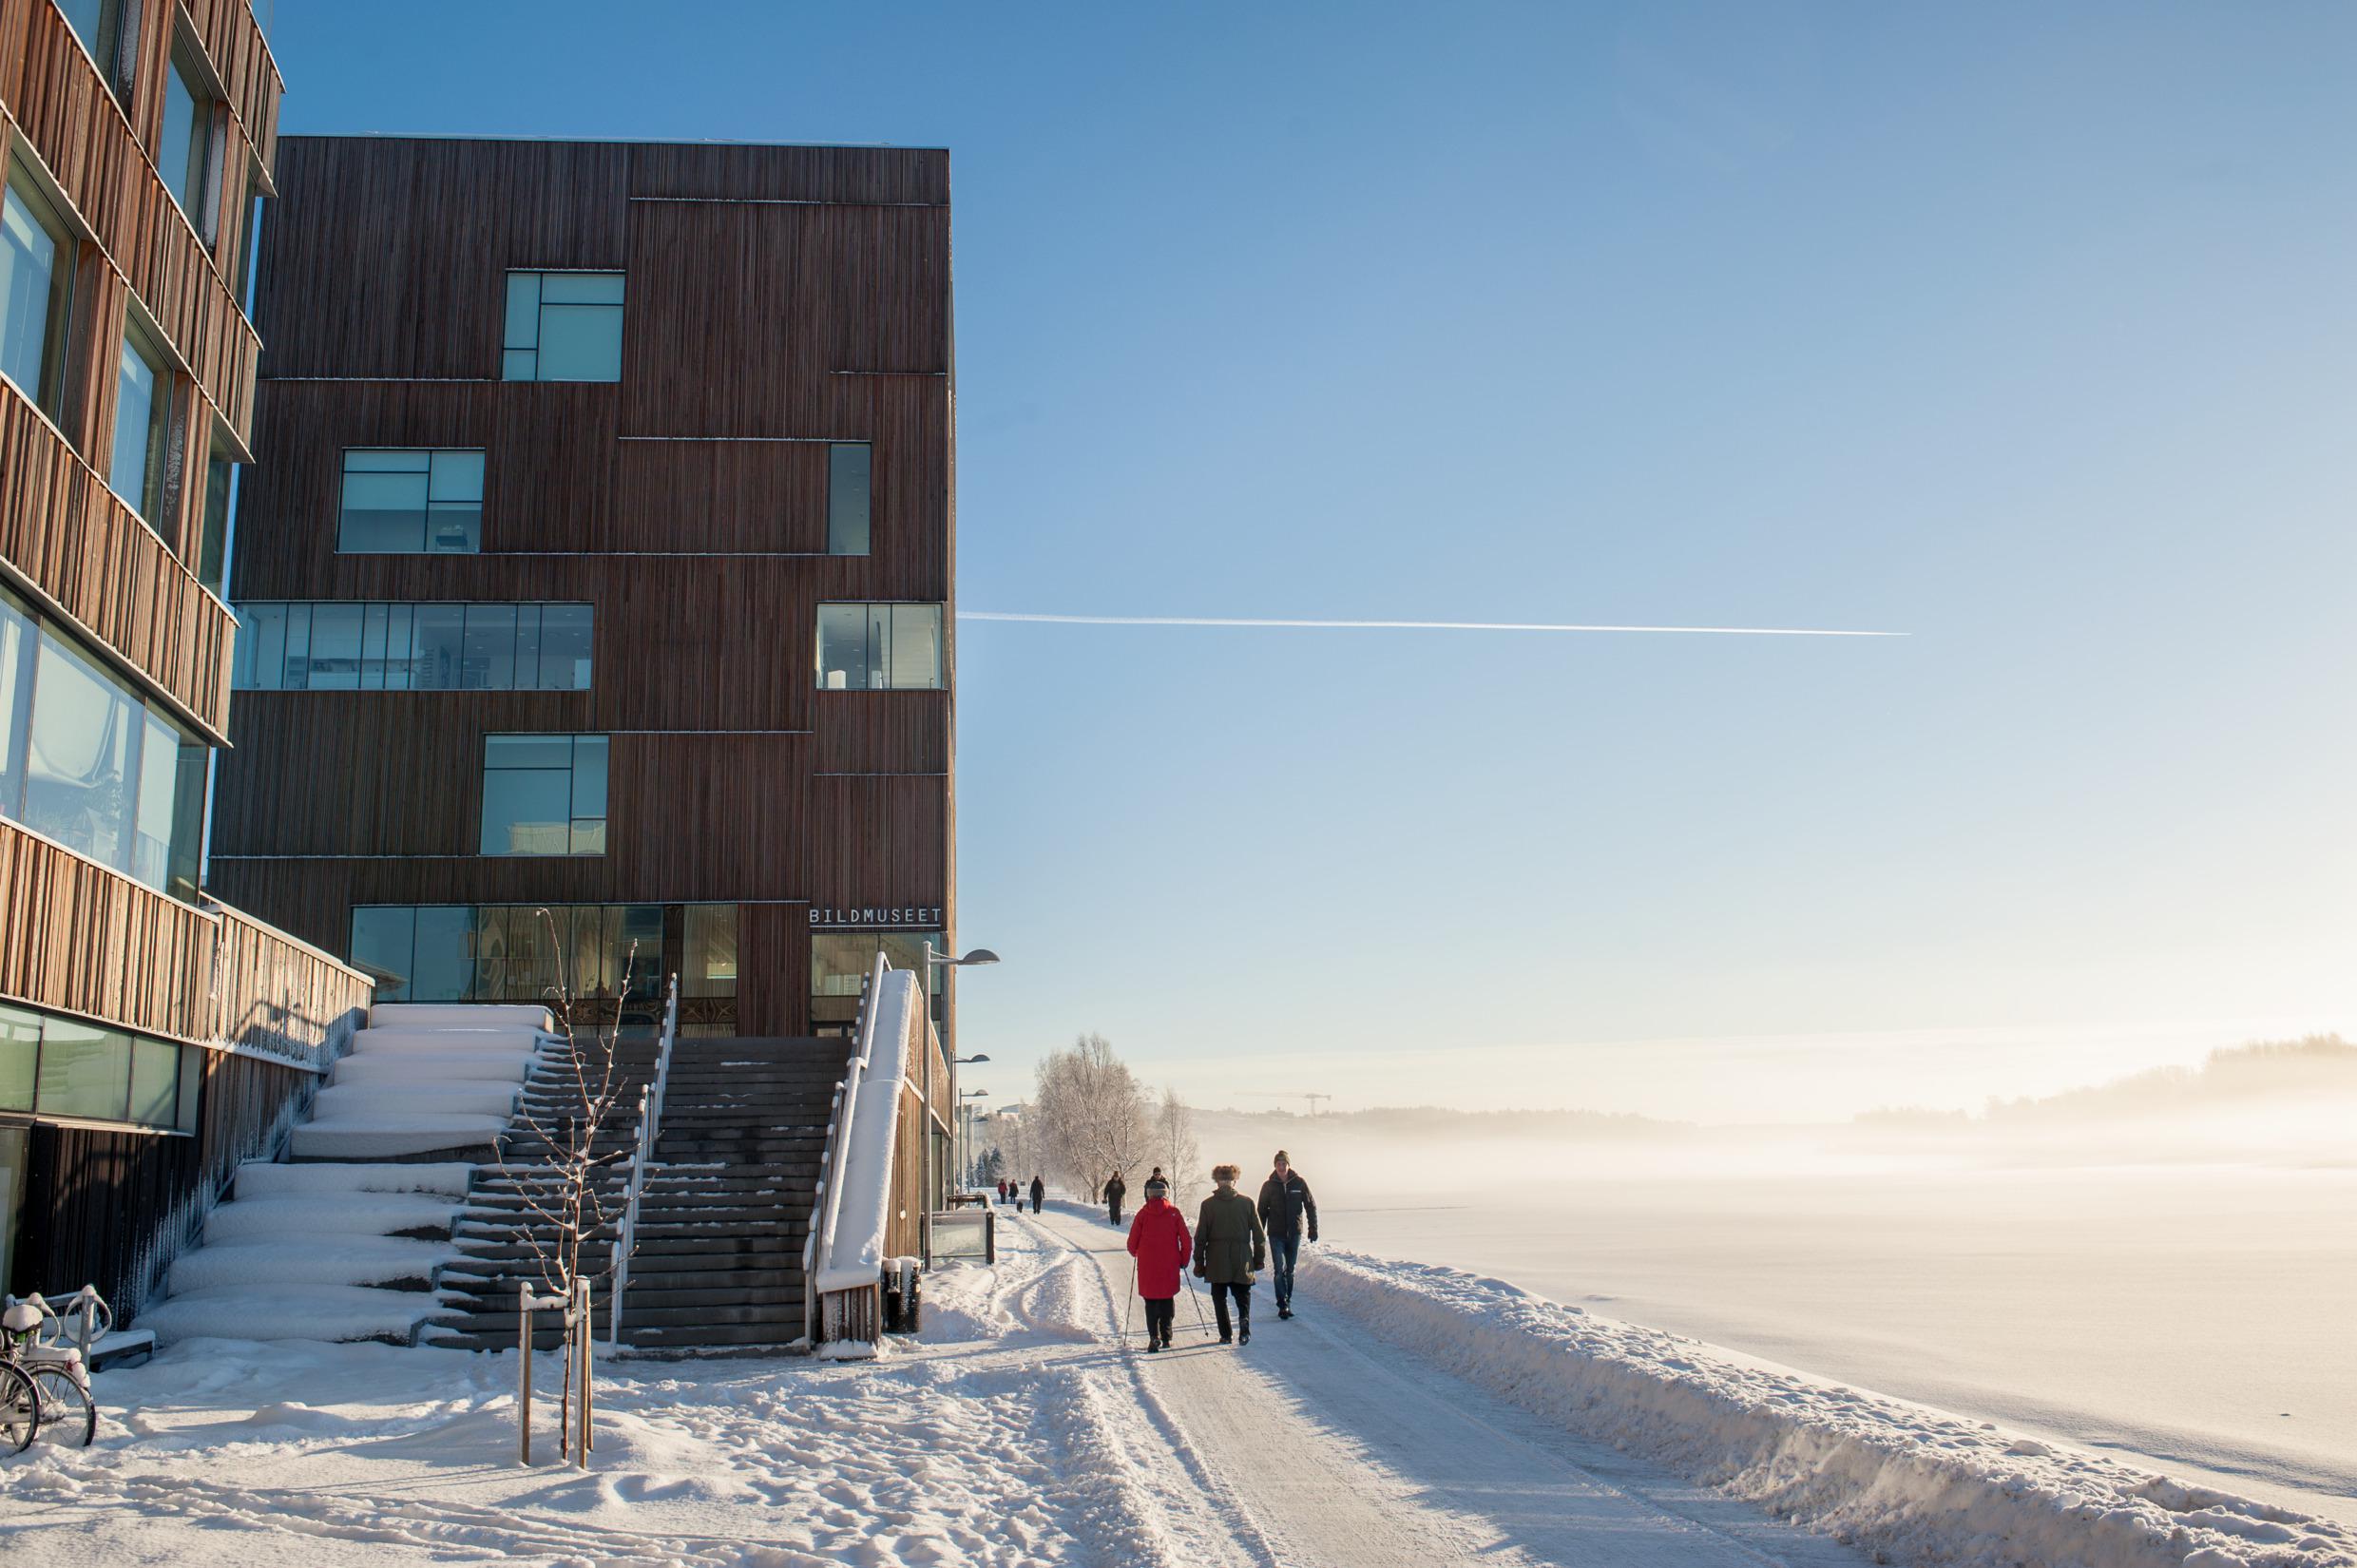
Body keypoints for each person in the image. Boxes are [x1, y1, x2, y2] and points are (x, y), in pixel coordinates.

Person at [1193, 1162, 1267, 1346]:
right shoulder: (1247, 1203)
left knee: (1219, 1297)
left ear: (1217, 1182)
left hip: (1216, 1257)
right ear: (1235, 1181)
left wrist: (1199, 1262)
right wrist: (1258, 1259)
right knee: (1243, 1295)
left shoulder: (1208, 1205)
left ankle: (1225, 1334)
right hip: (1242, 1256)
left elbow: (1200, 1237)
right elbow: (1259, 1235)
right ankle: (1244, 1323)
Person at [1125, 1175, 1192, 1352]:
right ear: (1166, 1194)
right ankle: (1167, 1337)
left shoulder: (1142, 1214)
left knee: (1151, 1302)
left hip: (1147, 1265)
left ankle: (1154, 1337)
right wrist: (1183, 1260)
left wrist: (1136, 1252)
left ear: (1149, 1195)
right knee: (1167, 1300)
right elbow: (1186, 1240)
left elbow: (1132, 1243)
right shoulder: (1174, 1213)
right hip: (1169, 1265)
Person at [1255, 1149, 1318, 1321]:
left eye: (1284, 1164)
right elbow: (1261, 1211)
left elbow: (1310, 1206)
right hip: (1275, 1234)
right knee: (1278, 1270)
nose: (1281, 1167)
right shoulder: (1268, 1186)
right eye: (1278, 1164)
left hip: (1294, 1233)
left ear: (1288, 1165)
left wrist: (1313, 1228)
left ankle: (1288, 1300)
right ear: (1275, 1166)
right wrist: (1259, 1233)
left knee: (1289, 1270)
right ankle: (1282, 1304)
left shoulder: (1299, 1183)